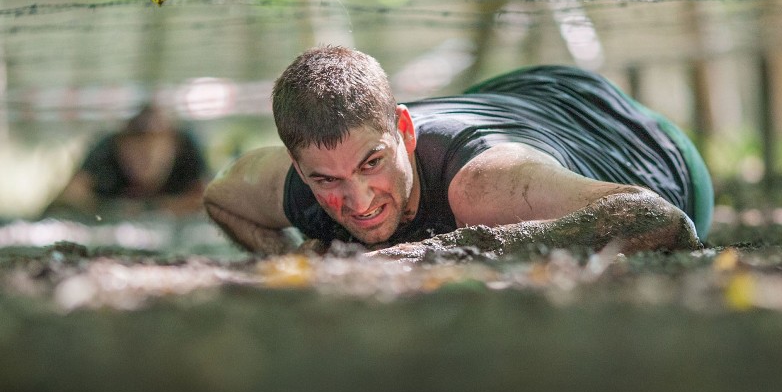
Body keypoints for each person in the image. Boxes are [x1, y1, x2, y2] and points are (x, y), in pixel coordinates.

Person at [203, 45, 713, 260]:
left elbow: (657, 217)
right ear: (298, 168)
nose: (357, 201)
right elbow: (220, 198)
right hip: (501, 103)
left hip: (634, 134)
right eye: (326, 181)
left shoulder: (486, 184)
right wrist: (294, 259)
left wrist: (429, 252)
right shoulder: (293, 185)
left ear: (403, 131)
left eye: (371, 163)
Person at [43, 103, 209, 219]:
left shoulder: (188, 150)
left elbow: (210, 200)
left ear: (173, 147)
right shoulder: (105, 152)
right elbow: (65, 200)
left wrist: (154, 208)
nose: (147, 160)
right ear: (120, 147)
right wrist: (111, 209)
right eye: (137, 154)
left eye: (156, 152)